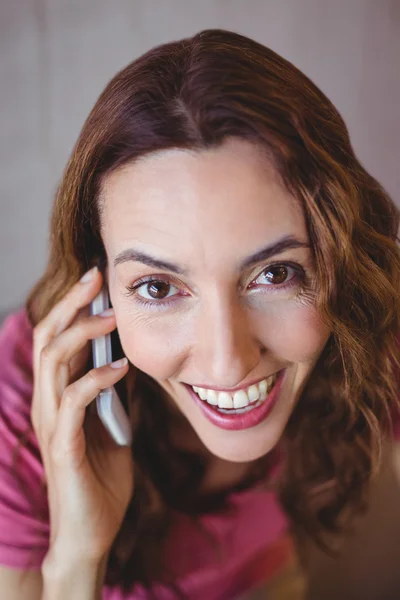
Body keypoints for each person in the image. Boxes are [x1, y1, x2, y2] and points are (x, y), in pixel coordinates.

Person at [0, 28, 399, 600]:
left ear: (340, 262)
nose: (228, 360)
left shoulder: (366, 323)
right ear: (102, 289)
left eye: (276, 274)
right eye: (159, 287)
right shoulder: (20, 407)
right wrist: (77, 559)